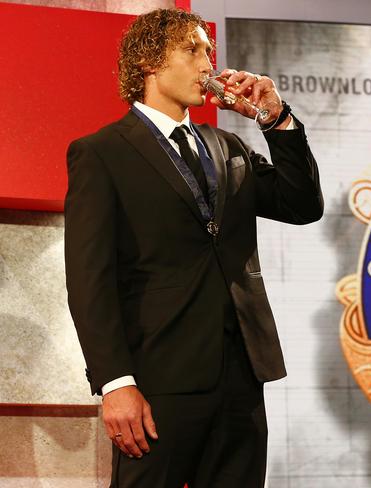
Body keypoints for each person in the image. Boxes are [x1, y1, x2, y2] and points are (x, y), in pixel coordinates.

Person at [64, 8, 322, 487]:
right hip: (159, 381)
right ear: (149, 63)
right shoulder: (102, 153)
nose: (209, 64)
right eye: (193, 49)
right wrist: (116, 383)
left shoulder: (227, 146)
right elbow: (88, 279)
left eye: (209, 51)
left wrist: (276, 119)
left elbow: (302, 203)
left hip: (242, 379)